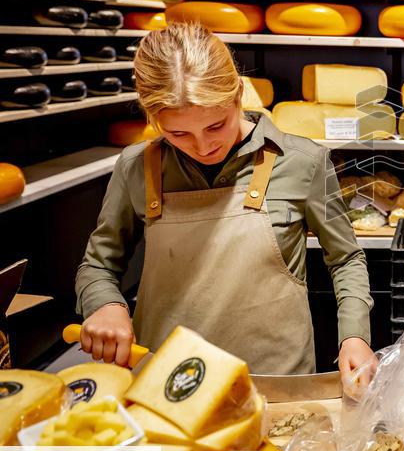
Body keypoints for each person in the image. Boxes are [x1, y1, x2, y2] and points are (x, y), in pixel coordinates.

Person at [75, 22, 375, 376]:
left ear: (237, 95)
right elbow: (98, 265)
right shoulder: (135, 167)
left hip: (275, 382)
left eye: (216, 125)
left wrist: (355, 336)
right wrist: (105, 304)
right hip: (166, 384)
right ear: (151, 118)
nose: (203, 147)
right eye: (178, 133)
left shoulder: (304, 162)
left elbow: (346, 258)